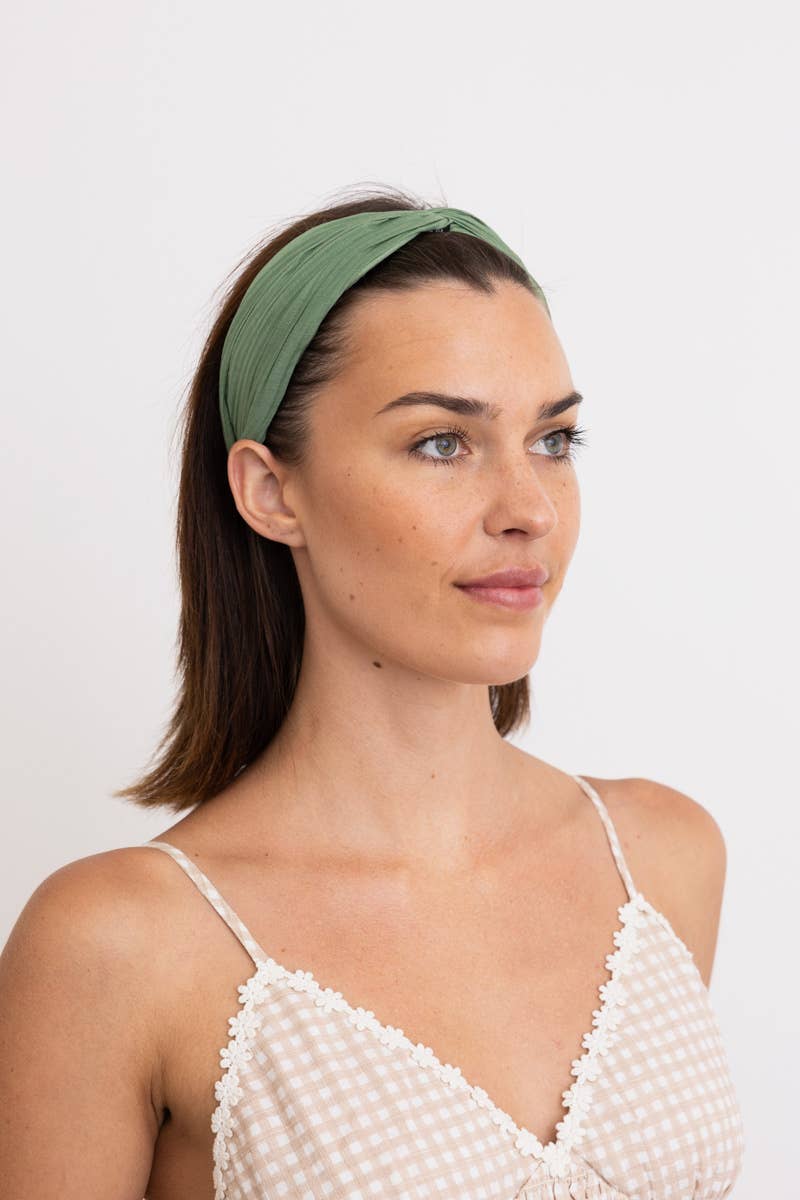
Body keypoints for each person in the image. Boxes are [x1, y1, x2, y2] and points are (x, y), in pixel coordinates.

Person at [0, 186, 745, 1199]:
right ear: (272, 491)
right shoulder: (121, 945)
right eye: (442, 443)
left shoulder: (662, 859)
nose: (528, 508)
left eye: (553, 440)